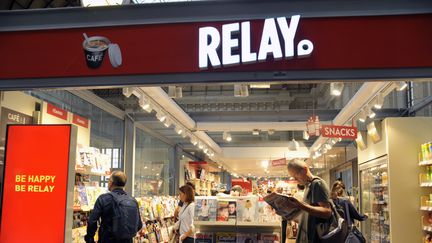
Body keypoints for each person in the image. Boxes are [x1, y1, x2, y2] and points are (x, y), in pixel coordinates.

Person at [85, 171, 142, 243]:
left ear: (111, 182)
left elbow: (92, 222)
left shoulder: (103, 199)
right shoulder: (133, 201)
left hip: (107, 240)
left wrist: (90, 239)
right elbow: (139, 225)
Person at [285, 159, 332, 243]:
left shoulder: (317, 184)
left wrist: (301, 205)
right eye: (293, 176)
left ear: (305, 170)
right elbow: (310, 215)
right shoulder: (308, 185)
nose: (295, 179)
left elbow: (327, 212)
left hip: (314, 238)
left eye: (296, 175)